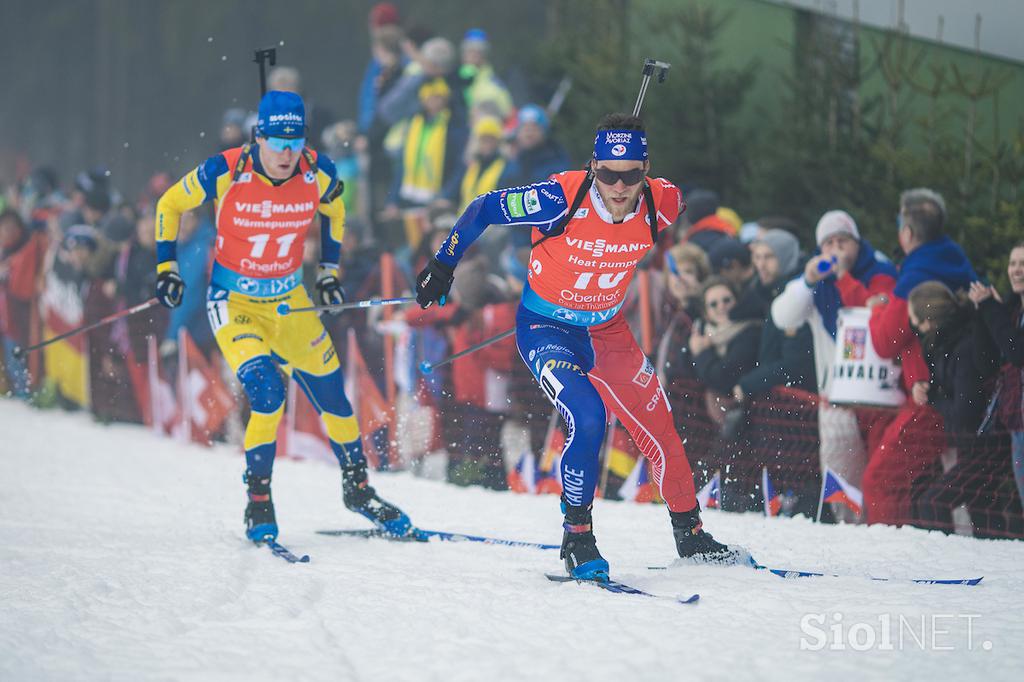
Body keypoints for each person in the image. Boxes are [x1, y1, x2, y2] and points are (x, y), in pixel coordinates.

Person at [415, 113, 744, 580]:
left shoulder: (663, 202)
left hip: (608, 333)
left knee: (661, 427)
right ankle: (578, 536)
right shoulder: (558, 197)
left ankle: (690, 534)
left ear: (645, 171)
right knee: (588, 416)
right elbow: (484, 207)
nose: (618, 185)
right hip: (547, 330)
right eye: (608, 173)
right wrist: (443, 265)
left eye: (630, 175)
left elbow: (681, 215)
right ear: (593, 167)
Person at [154, 90, 416, 543]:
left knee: (336, 399)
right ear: (259, 137)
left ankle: (357, 491)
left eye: (295, 142)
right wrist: (167, 267)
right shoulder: (226, 169)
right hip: (234, 305)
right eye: (277, 142)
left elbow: (336, 211)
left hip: (289, 303)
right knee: (267, 392)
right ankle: (259, 501)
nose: (286, 153)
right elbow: (169, 205)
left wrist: (329, 271)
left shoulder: (319, 171)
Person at [771, 210, 897, 520]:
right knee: (840, 473)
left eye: (843, 241)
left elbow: (873, 317)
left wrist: (843, 277)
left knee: (882, 473)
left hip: (879, 394)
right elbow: (783, 317)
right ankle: (847, 526)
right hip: (836, 395)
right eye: (829, 243)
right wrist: (806, 281)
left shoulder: (879, 270)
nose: (837, 249)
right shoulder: (816, 282)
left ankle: (883, 527)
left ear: (857, 243)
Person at [863, 188, 977, 525]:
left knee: (881, 479)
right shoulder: (956, 261)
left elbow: (886, 341)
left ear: (908, 232)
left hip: (929, 398)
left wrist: (876, 312)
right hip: (953, 392)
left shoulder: (916, 275)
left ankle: (889, 557)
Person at [907, 281, 999, 532]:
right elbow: (947, 389)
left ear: (928, 318)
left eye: (916, 320)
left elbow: (964, 411)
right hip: (969, 448)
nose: (915, 327)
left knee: (933, 503)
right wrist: (928, 388)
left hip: (985, 449)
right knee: (984, 517)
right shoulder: (944, 345)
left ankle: (944, 564)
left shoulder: (963, 348)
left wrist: (933, 397)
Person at [969, 241, 1024, 504]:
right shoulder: (1011, 312)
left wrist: (992, 309)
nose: (1016, 270)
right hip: (1016, 424)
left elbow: (1017, 352)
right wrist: (983, 312)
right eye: (1013, 263)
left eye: (1023, 264)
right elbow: (986, 363)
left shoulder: (1005, 312)